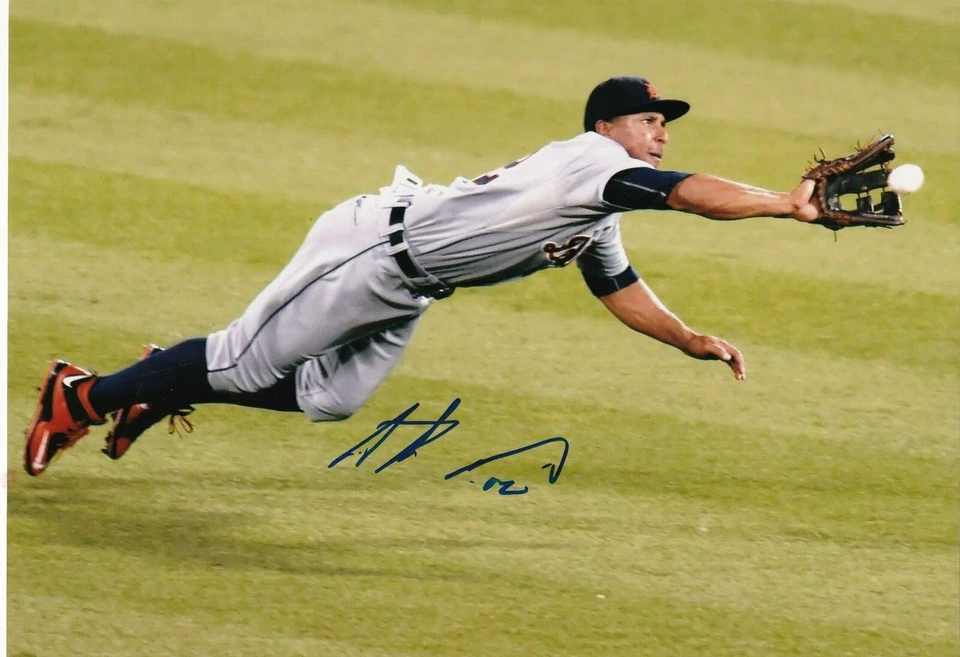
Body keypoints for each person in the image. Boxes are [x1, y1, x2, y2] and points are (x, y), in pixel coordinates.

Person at [23, 76, 820, 476]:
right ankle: (81, 395)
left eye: (665, 125)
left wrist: (687, 338)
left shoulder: (599, 199)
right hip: (370, 249)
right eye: (651, 120)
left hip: (411, 282)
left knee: (331, 399)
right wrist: (785, 204)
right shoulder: (593, 162)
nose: (660, 134)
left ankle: (164, 382)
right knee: (238, 360)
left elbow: (616, 284)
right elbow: (687, 196)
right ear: (607, 126)